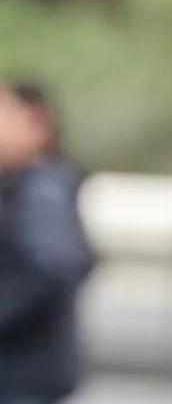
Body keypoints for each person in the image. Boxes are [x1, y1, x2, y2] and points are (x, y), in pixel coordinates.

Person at [0, 82, 94, 404]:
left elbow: (54, 265)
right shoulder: (27, 184)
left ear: (37, 120)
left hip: (23, 373)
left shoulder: (41, 188)